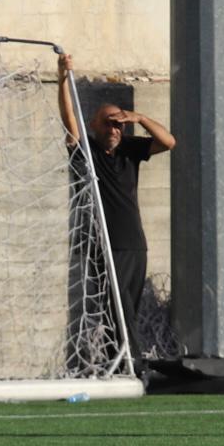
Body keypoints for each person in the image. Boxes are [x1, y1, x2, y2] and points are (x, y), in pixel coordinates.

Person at [57, 54, 176, 378]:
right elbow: (69, 120)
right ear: (95, 126)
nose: (114, 128)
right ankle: (131, 365)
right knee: (116, 307)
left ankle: (123, 362)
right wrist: (62, 77)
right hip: (104, 243)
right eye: (108, 122)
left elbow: (168, 141)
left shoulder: (129, 150)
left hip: (134, 243)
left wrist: (139, 117)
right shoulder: (88, 152)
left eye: (119, 123)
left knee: (127, 308)